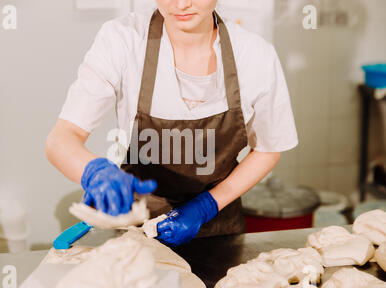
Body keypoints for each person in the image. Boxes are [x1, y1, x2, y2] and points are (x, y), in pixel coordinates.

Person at [46, 0, 298, 247]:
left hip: (217, 232)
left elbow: (268, 147)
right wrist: (94, 172)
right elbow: (62, 138)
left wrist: (205, 206)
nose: (181, 3)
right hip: (137, 233)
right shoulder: (123, 39)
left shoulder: (254, 55)